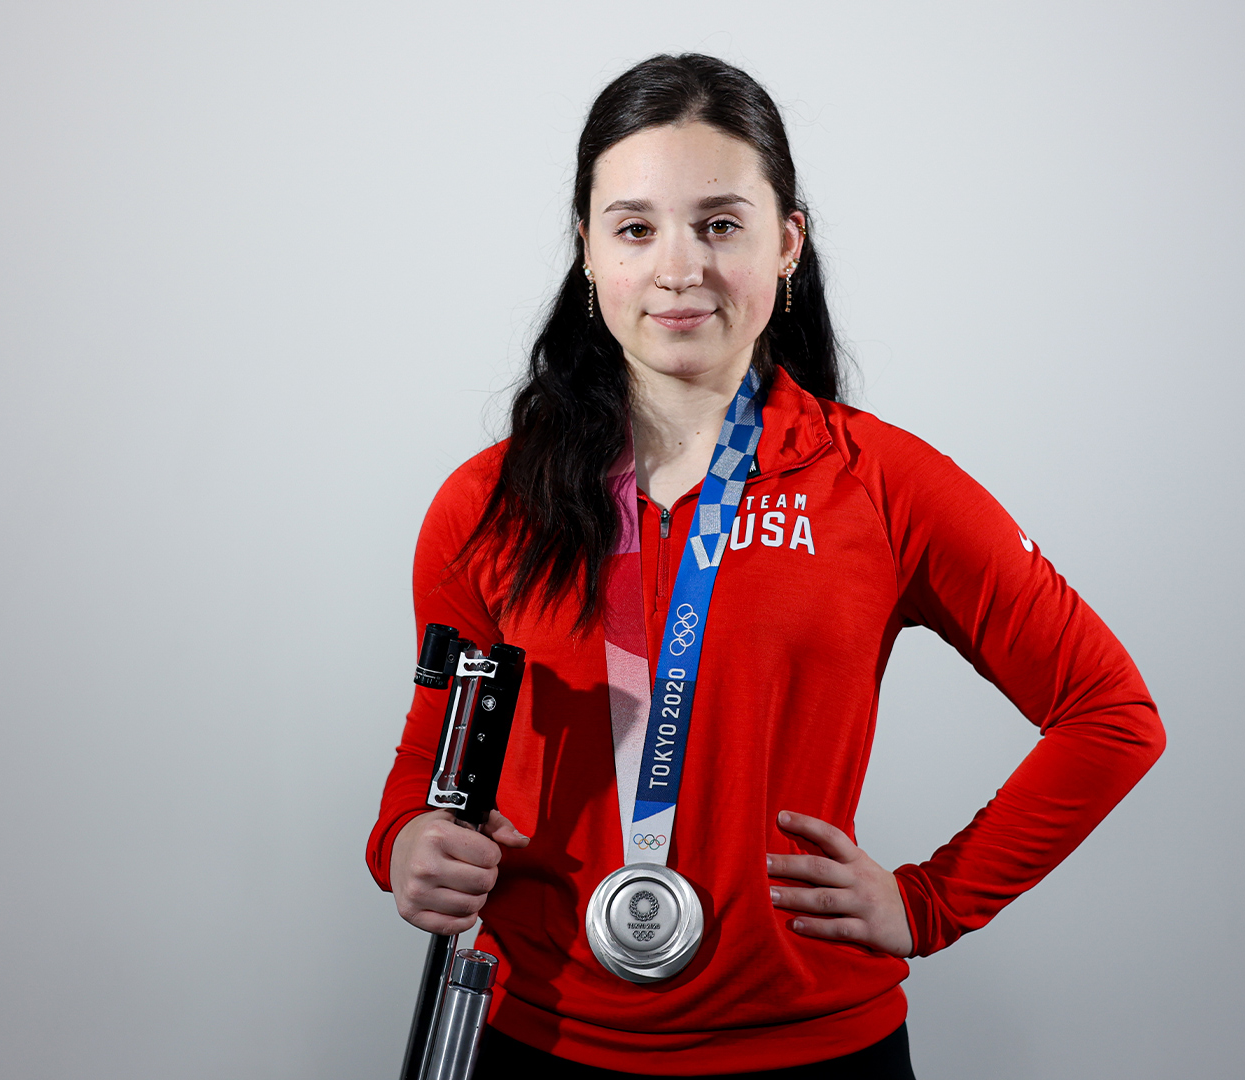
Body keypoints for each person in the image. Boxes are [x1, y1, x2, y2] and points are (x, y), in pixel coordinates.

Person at [367, 54, 1164, 1078]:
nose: (678, 268)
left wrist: (930, 901)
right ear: (588, 250)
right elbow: (430, 761)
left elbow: (1110, 712)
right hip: (539, 1041)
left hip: (816, 1052)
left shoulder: (881, 484)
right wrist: (403, 843)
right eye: (635, 226)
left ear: (788, 241)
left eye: (721, 224)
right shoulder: (486, 502)